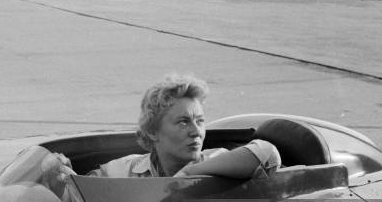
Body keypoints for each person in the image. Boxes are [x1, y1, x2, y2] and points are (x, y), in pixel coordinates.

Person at [87, 74, 281, 178]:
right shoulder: (125, 170)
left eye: (200, 121)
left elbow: (268, 154)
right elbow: (77, 188)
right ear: (153, 132)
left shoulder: (219, 161)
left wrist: (189, 173)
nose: (197, 132)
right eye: (183, 122)